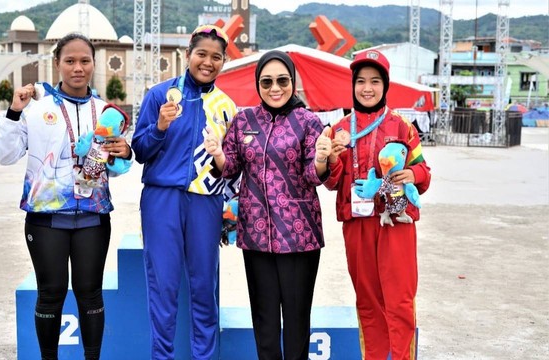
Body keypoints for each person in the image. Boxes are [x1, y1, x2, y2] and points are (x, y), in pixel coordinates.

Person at [0, 32, 133, 360]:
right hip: (45, 220)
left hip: (93, 219)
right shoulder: (36, 108)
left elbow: (117, 167)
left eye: (85, 61)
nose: (77, 68)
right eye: (69, 61)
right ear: (57, 64)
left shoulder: (106, 111)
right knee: (51, 294)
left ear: (94, 65)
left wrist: (123, 152)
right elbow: (4, 155)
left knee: (90, 294)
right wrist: (14, 111)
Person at [204, 50, 332, 360]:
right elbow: (231, 166)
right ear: (258, 84)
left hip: (300, 237)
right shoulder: (244, 120)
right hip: (256, 236)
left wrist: (321, 159)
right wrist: (218, 155)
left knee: (297, 318)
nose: (275, 88)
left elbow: (312, 176)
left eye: (282, 80)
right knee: (264, 320)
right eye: (267, 81)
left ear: (293, 82)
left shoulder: (308, 121)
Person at [130, 25, 238, 359]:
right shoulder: (160, 95)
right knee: (163, 287)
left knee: (205, 286)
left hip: (206, 203)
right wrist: (161, 127)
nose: (208, 62)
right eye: (201, 54)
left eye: (216, 57)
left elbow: (231, 166)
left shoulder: (227, 107)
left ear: (223, 62)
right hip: (162, 199)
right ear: (187, 55)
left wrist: (230, 211)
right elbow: (140, 151)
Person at [323, 49, 431, 360]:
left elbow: (424, 172)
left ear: (385, 85)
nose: (367, 88)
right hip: (357, 223)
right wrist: (331, 156)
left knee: (399, 300)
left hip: (396, 221)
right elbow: (332, 183)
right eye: (360, 81)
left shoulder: (402, 127)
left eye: (374, 81)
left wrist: (411, 172)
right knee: (367, 301)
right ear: (352, 85)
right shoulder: (339, 129)